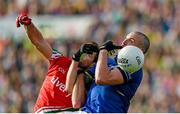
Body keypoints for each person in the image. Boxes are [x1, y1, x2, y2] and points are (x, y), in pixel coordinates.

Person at [16, 12, 99, 113]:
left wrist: (80, 73)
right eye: (84, 50)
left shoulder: (89, 81)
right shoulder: (60, 60)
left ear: (93, 63)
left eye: (90, 54)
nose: (85, 55)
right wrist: (29, 25)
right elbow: (39, 42)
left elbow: (77, 103)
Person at [66, 32, 150, 113]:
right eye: (125, 38)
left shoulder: (135, 67)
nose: (124, 42)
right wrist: (77, 60)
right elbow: (71, 92)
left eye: (131, 41)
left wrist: (103, 51)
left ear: (140, 50)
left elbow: (101, 79)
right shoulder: (108, 61)